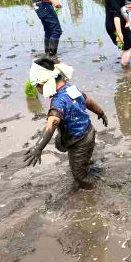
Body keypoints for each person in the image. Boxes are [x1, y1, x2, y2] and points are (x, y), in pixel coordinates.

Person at [24, 58, 108, 188]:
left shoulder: (59, 101)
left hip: (80, 141)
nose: (38, 92)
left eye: (37, 88)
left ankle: (95, 189)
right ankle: (85, 162)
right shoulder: (71, 88)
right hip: (87, 131)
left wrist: (38, 147)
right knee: (61, 143)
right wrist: (101, 113)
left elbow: (52, 124)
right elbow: (88, 101)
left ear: (42, 84)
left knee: (79, 176)